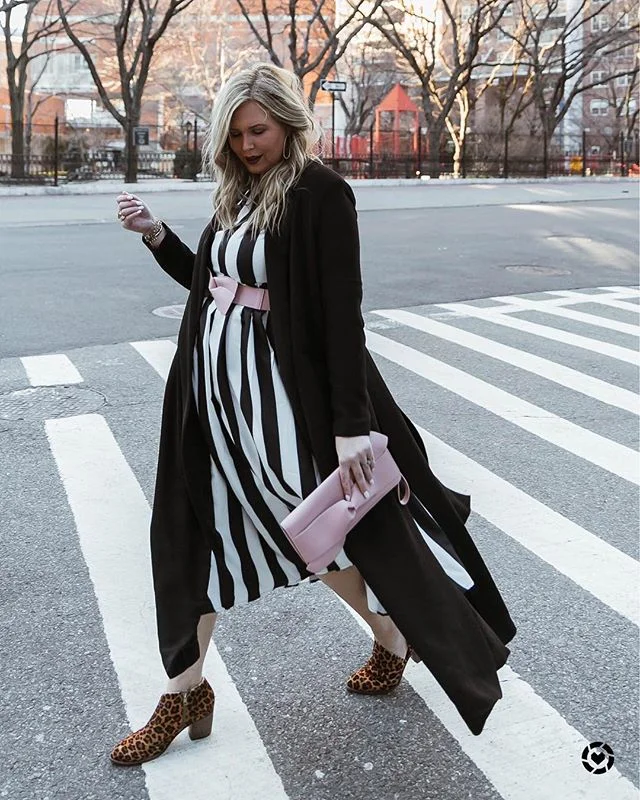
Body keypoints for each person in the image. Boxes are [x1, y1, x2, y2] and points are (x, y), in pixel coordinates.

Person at [111, 64, 516, 767]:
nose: (246, 144)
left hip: (280, 404)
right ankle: (184, 691)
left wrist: (351, 424)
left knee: (317, 533)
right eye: (235, 134)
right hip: (212, 401)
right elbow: (215, 286)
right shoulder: (239, 193)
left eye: (258, 130)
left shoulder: (322, 194)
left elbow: (340, 317)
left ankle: (395, 635)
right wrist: (157, 237)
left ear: (288, 123)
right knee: (193, 531)